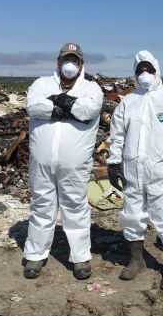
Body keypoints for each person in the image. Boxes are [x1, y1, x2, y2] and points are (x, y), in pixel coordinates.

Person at [107, 50, 163, 291]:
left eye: (149, 69)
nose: (144, 74)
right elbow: (117, 135)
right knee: (132, 216)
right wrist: (114, 163)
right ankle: (136, 260)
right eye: (140, 70)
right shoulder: (128, 102)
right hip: (133, 171)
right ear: (135, 74)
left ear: (157, 71)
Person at [23, 43, 103, 280]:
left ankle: (80, 258)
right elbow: (34, 106)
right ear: (58, 62)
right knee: (41, 207)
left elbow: (87, 110)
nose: (70, 65)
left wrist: (57, 102)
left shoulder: (92, 88)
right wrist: (69, 107)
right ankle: (35, 256)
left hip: (74, 165)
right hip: (42, 163)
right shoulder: (41, 84)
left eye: (74, 60)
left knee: (75, 207)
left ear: (81, 64)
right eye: (66, 60)